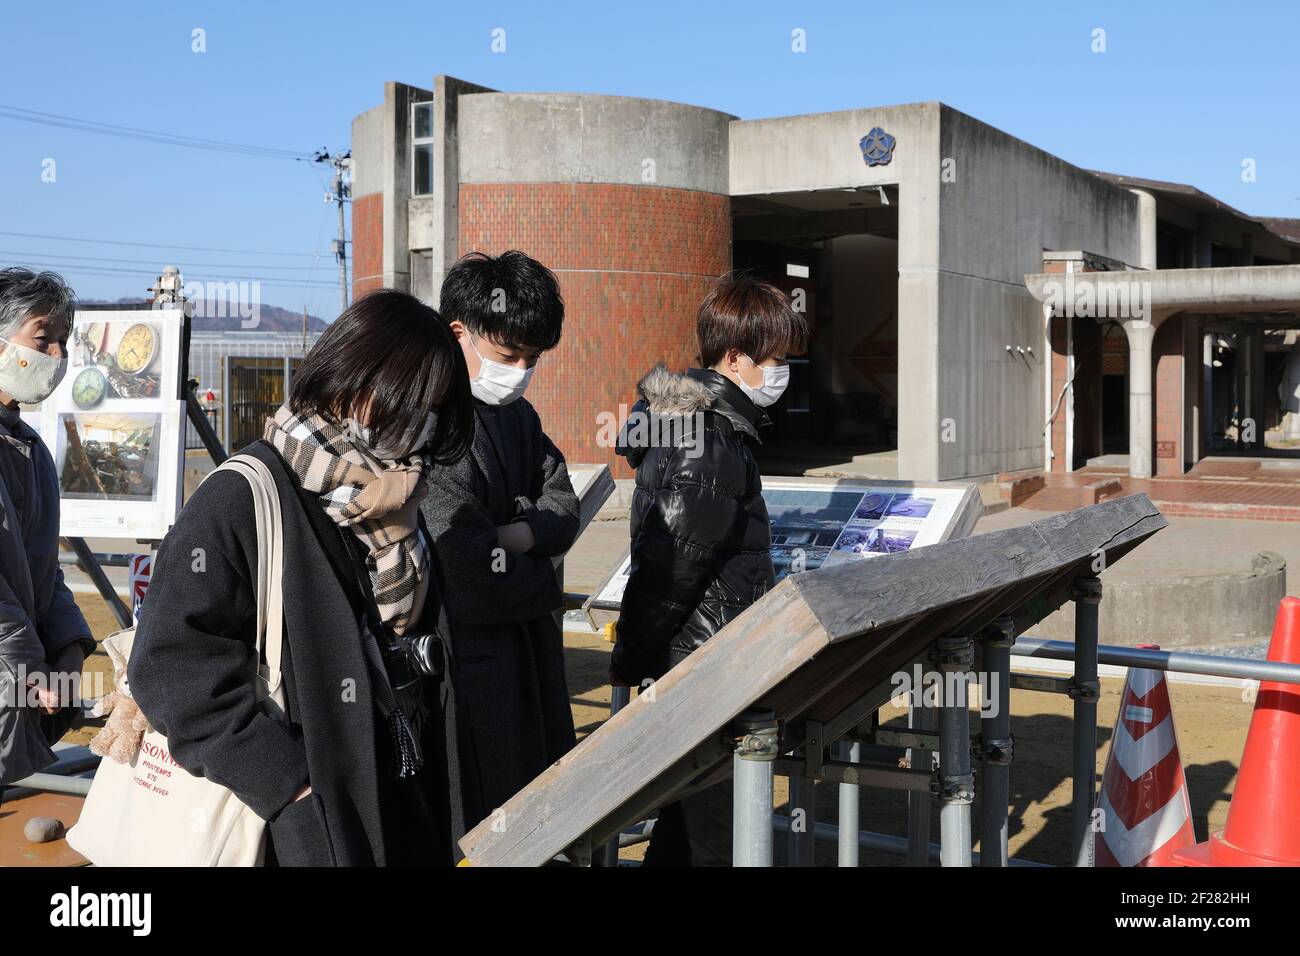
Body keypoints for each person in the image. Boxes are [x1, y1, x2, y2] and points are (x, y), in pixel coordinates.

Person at [129, 289, 474, 866]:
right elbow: (168, 663)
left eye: (432, 408)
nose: (418, 423)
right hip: (302, 822)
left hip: (401, 786)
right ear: (350, 375)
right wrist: (287, 781)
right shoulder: (244, 495)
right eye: (406, 399)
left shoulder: (398, 495)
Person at [611, 272, 809, 866]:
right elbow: (675, 563)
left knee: (687, 817)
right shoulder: (708, 435)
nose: (781, 372)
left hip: (693, 654)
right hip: (708, 658)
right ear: (733, 357)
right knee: (715, 831)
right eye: (773, 359)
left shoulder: (695, 422)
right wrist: (636, 655)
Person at [420, 251, 580, 841]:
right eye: (508, 354)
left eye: (532, 358)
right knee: (484, 827)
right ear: (460, 332)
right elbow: (466, 574)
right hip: (465, 669)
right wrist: (542, 572)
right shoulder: (435, 422)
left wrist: (515, 534)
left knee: (540, 812)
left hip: (529, 656)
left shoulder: (520, 416)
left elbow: (567, 505)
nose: (519, 370)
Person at [0, 268, 96, 789]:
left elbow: (42, 569)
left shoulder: (30, 450)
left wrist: (69, 647)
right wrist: (25, 669)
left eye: (62, 341)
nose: (57, 357)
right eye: (43, 339)